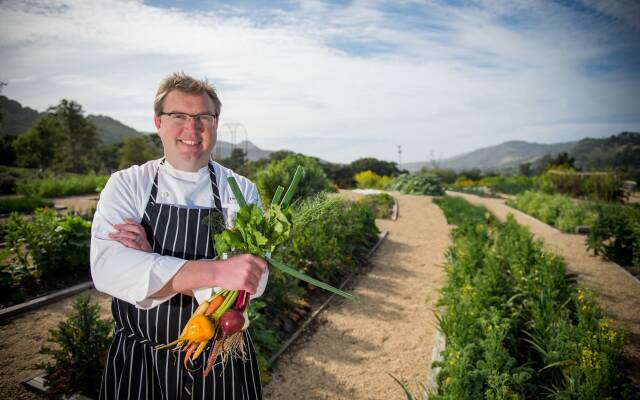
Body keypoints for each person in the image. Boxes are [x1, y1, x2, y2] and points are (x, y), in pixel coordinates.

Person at [90, 72, 268, 400]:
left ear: (215, 124)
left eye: (204, 117)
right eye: (179, 116)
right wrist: (215, 271)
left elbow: (249, 281)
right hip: (141, 361)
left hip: (220, 359)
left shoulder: (240, 191)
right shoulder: (128, 184)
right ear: (158, 122)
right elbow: (110, 270)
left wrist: (149, 262)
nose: (193, 127)